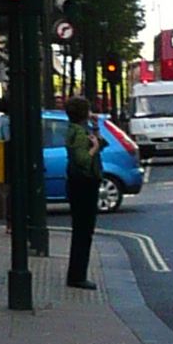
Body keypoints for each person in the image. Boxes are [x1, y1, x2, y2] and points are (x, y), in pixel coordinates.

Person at [64, 95, 105, 291]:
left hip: (79, 184)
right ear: (82, 113)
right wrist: (94, 148)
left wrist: (96, 128)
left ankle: (77, 274)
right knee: (83, 232)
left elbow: (103, 143)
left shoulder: (78, 130)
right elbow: (83, 160)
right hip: (84, 185)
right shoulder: (79, 134)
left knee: (82, 231)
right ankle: (77, 276)